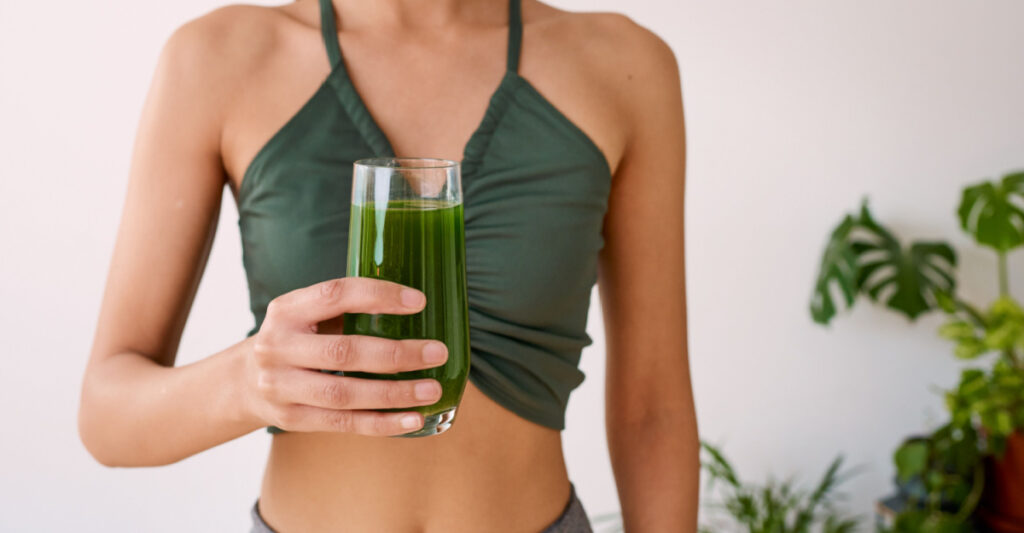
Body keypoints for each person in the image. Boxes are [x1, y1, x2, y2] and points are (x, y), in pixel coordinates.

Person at [78, 0, 697, 530]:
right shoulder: (218, 59)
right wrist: (246, 381)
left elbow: (654, 410)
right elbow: (107, 416)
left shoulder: (624, 68)